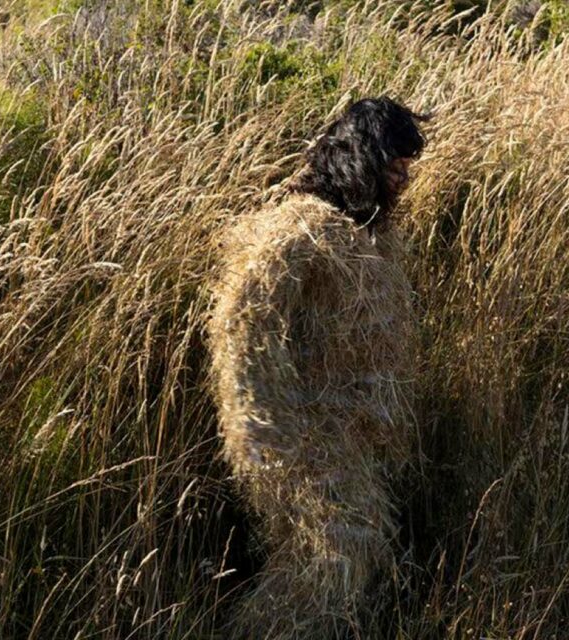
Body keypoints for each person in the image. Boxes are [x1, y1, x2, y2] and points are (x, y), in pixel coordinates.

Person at [206, 96, 430, 638]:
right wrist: (269, 430)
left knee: (341, 563)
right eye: (393, 166)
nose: (403, 181)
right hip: (305, 439)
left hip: (347, 442)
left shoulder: (370, 237)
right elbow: (245, 320)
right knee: (330, 561)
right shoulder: (299, 226)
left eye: (407, 169)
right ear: (359, 160)